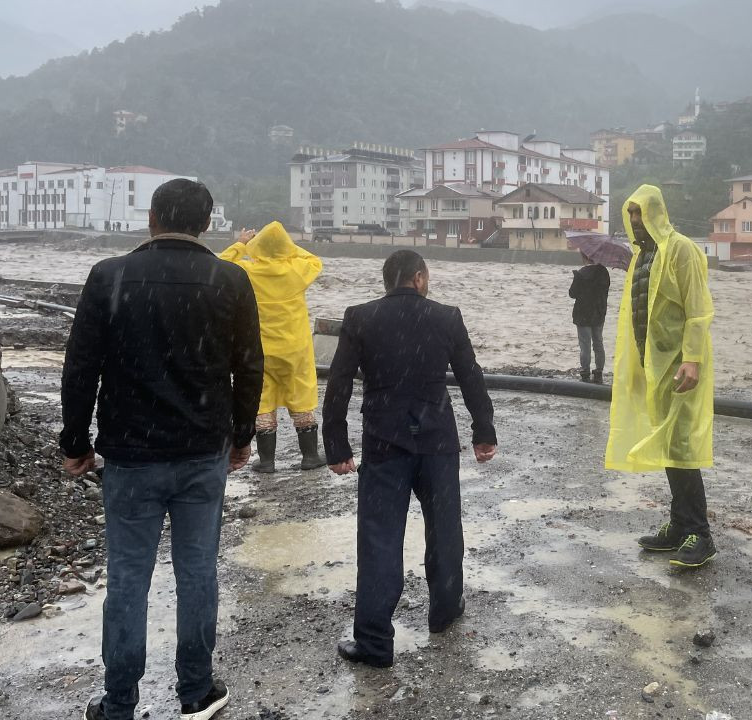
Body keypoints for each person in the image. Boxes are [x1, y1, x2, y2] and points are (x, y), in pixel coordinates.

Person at [60, 179, 262, 720]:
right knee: (197, 572)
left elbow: (81, 369)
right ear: (207, 222)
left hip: (130, 457)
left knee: (128, 578)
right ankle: (196, 690)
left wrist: (74, 443)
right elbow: (250, 366)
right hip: (202, 453)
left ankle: (119, 702)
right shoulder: (230, 279)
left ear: (152, 217)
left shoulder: (110, 276)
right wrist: (242, 436)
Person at [322, 249, 497, 668]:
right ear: (419, 277)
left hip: (385, 442)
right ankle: (444, 610)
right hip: (437, 439)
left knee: (380, 539)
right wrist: (483, 431)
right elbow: (471, 374)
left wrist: (337, 444)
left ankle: (374, 642)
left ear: (389, 281)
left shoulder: (360, 316)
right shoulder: (446, 316)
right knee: (444, 529)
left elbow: (339, 381)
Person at [606, 184, 716, 569]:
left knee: (683, 446)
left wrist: (693, 359)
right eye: (630, 214)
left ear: (657, 212)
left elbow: (698, 308)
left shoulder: (681, 249)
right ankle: (679, 525)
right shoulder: (642, 258)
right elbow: (636, 318)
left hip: (680, 366)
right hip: (654, 367)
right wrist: (635, 367)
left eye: (641, 213)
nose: (635, 221)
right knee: (670, 445)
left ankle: (700, 533)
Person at [219, 222, 325, 473]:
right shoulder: (296, 271)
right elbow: (314, 259)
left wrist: (241, 243)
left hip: (261, 349)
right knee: (300, 396)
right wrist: (286, 247)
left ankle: (266, 460)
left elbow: (220, 265)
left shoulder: (248, 272)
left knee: (263, 400)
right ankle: (309, 455)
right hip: (295, 349)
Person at [569, 253, 610, 384]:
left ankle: (585, 373)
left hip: (583, 314)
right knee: (598, 343)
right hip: (598, 313)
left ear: (584, 257)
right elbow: (605, 291)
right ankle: (599, 373)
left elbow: (572, 293)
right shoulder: (604, 272)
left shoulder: (581, 274)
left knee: (585, 345)